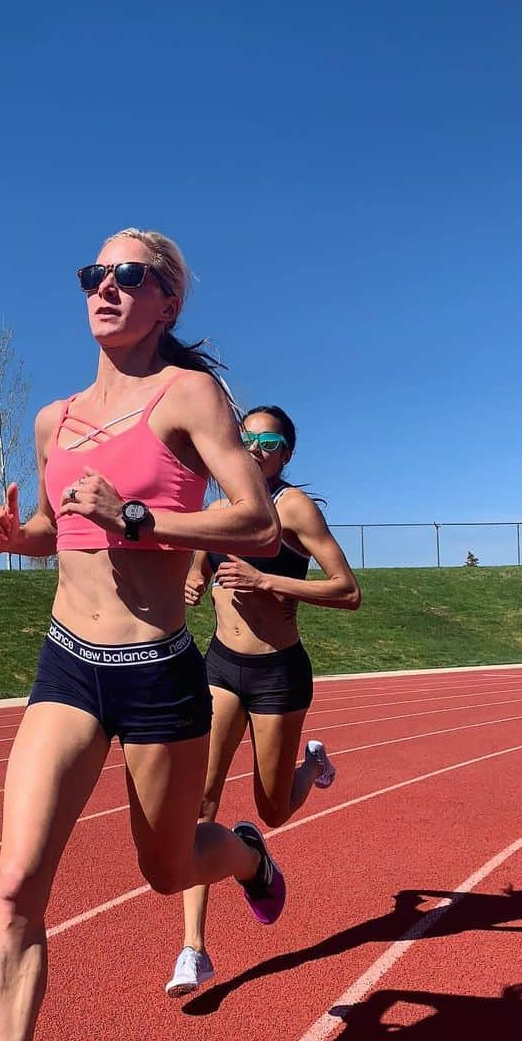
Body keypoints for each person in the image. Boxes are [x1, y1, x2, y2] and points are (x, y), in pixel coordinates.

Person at [0, 228, 287, 1041]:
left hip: (160, 672)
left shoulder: (192, 398)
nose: (109, 287)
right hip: (69, 665)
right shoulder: (53, 419)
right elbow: (59, 531)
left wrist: (143, 521)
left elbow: (257, 521)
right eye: (96, 274)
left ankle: (243, 853)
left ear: (167, 303)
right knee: (15, 888)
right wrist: (12, 537)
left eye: (134, 276)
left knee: (168, 870)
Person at [165, 406, 361, 998]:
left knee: (271, 809)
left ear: (286, 453)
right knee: (198, 802)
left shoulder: (293, 508)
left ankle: (310, 770)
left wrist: (269, 581)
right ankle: (194, 951)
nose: (253, 448)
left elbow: (348, 592)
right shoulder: (221, 507)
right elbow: (200, 557)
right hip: (221, 665)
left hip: (278, 673)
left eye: (267, 440)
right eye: (243, 437)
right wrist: (193, 580)